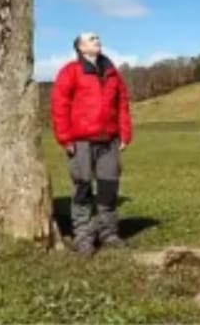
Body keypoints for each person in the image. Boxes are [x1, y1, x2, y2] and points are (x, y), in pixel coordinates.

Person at [50, 32, 133, 256]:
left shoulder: (112, 72)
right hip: (81, 141)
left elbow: (122, 104)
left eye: (97, 38)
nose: (97, 40)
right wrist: (65, 138)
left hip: (109, 140)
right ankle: (83, 237)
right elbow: (59, 106)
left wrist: (125, 133)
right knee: (82, 188)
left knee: (109, 188)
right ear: (80, 47)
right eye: (91, 39)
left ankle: (109, 233)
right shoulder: (70, 71)